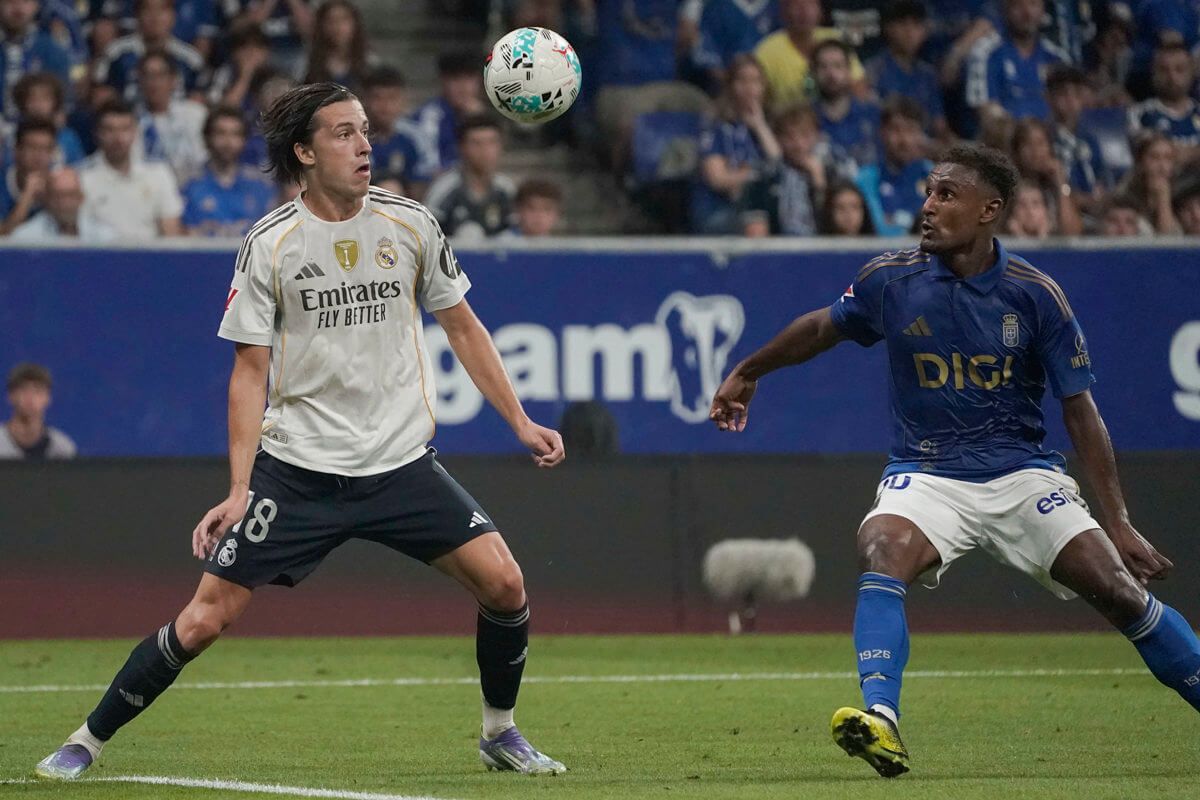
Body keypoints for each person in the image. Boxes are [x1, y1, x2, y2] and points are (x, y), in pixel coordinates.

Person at [34, 81, 567, 782]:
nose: (364, 144)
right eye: (344, 133)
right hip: (298, 474)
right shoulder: (271, 243)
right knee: (203, 621)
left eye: (365, 130)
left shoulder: (411, 224)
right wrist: (238, 488)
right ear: (305, 152)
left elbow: (463, 327)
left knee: (505, 584)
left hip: (400, 465)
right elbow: (248, 373)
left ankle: (500, 732)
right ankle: (85, 740)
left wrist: (519, 420)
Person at [709, 142, 1200, 779]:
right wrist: (749, 370)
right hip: (927, 473)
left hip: (1022, 474)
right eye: (928, 193)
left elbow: (1080, 411)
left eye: (946, 194)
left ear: (989, 209)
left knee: (1121, 593)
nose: (928, 206)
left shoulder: (1036, 296)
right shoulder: (892, 280)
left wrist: (1120, 521)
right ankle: (881, 719)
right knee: (880, 547)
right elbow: (822, 328)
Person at [690, 54, 781, 235]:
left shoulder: (765, 124)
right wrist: (753, 176)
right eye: (742, 80)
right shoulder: (714, 125)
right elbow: (717, 179)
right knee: (756, 222)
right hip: (718, 209)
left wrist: (759, 126)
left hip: (756, 205)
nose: (750, 88)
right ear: (730, 85)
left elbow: (777, 162)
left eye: (756, 81)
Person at [77, 99, 183, 237]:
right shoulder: (81, 177)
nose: (118, 138)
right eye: (110, 130)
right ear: (97, 133)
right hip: (101, 250)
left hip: (149, 249)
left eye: (125, 129)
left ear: (135, 132)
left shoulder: (159, 173)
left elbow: (171, 232)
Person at [965, 0, 1067, 127]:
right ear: (1005, 10)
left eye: (1033, 4)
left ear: (1043, 9)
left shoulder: (1056, 57)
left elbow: (1070, 110)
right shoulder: (985, 53)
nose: (1027, 13)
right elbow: (987, 113)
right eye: (1018, 5)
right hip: (1006, 137)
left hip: (1051, 135)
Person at [753, 0, 865, 112]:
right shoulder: (767, 51)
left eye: (811, 5)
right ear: (784, 11)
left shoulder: (835, 39)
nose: (804, 11)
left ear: (820, 11)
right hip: (787, 119)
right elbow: (756, 100)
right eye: (797, 6)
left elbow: (859, 87)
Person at [181, 105, 276, 236]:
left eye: (235, 134)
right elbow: (183, 234)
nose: (228, 142)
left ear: (244, 140)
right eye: (221, 133)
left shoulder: (260, 185)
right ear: (207, 138)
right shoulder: (189, 185)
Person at [864, 0, 948, 141]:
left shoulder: (928, 74)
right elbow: (872, 123)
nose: (910, 32)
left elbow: (939, 124)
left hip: (924, 145)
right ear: (888, 28)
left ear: (925, 31)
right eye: (903, 24)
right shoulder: (873, 70)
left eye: (916, 25)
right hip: (889, 143)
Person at [423, 114, 516, 240]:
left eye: (492, 142)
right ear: (461, 148)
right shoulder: (444, 189)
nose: (485, 150)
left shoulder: (506, 189)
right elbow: (426, 234)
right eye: (476, 143)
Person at [94, 0, 206, 102]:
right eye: (147, 10)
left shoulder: (190, 59)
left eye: (162, 10)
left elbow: (199, 97)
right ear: (137, 15)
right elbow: (100, 90)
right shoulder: (116, 53)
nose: (155, 17)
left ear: (173, 16)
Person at [855, 96, 931, 236]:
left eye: (911, 130)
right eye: (896, 130)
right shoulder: (865, 180)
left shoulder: (936, 177)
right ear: (882, 132)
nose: (904, 140)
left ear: (921, 135)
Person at [361, 66, 435, 201]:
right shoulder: (354, 137)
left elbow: (423, 183)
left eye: (392, 98)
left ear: (402, 101)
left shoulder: (416, 137)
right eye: (377, 98)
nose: (385, 106)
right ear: (365, 101)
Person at [133, 49, 208, 182]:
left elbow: (204, 159)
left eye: (159, 75)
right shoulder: (131, 120)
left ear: (173, 80)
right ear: (139, 80)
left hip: (192, 186)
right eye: (147, 75)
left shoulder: (195, 114)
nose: (153, 82)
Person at [812, 39, 880, 175]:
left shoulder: (873, 115)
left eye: (838, 66)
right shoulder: (807, 118)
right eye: (823, 67)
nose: (831, 74)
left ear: (849, 71)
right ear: (813, 72)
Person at [0, 0, 72, 122]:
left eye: (25, 2)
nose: (18, 9)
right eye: (10, 2)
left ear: (36, 6)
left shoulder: (52, 50)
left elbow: (63, 105)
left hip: (39, 127)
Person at [1127, 43, 1200, 161]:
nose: (1172, 77)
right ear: (1153, 73)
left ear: (1191, 73)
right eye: (1164, 70)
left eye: (1179, 70)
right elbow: (1157, 155)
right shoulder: (1139, 113)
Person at [9, 165, 116, 240]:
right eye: (58, 196)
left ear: (81, 198)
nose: (65, 203)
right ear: (47, 199)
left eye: (71, 195)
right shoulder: (25, 238)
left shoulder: (104, 238)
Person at [0, 362, 76, 459]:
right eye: (23, 390)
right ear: (10, 396)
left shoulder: (62, 449)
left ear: (48, 398)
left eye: (37, 391)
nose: (30, 398)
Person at [300, 0, 377, 92]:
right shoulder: (306, 63)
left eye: (344, 19)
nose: (338, 26)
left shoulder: (369, 62)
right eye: (331, 20)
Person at [0, 117, 54, 234]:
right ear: (16, 151)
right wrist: (27, 196)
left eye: (46, 149)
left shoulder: (60, 183)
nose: (39, 156)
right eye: (32, 148)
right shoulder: (2, 183)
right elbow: (3, 238)